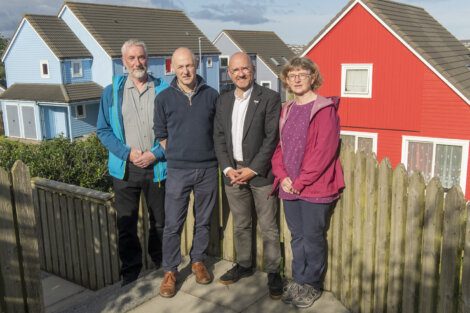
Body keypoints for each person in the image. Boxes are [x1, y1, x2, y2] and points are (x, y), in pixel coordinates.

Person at [271, 57, 345, 308]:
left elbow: (324, 152)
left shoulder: (324, 110)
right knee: (297, 237)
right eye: (292, 75)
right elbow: (280, 148)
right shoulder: (288, 109)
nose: (297, 79)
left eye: (303, 74)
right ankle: (299, 279)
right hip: (289, 187)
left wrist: (300, 182)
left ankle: (312, 285)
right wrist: (282, 177)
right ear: (286, 80)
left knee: (313, 237)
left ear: (313, 77)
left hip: (315, 188)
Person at [96, 39, 169, 286]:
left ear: (147, 59)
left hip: (157, 168)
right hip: (125, 170)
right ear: (123, 62)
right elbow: (103, 130)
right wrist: (128, 154)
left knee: (160, 221)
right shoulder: (111, 92)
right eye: (132, 58)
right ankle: (131, 272)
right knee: (126, 224)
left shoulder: (163, 90)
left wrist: (155, 154)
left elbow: (174, 131)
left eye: (141, 57)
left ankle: (160, 264)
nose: (138, 62)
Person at [213, 52, 283, 299]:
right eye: (235, 70)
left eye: (245, 69)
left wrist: (252, 169)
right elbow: (219, 137)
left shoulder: (270, 98)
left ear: (252, 70)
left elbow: (271, 137)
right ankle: (244, 264)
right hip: (232, 173)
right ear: (229, 73)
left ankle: (274, 272)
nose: (241, 74)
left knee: (269, 227)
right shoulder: (223, 101)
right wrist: (228, 169)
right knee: (241, 223)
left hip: (260, 174)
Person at [154, 47, 219, 298]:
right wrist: (178, 154)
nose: (185, 71)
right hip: (178, 170)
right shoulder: (164, 98)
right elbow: (161, 134)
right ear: (173, 68)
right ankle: (170, 271)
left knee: (203, 220)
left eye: (189, 65)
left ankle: (198, 261)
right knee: (173, 224)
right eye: (180, 66)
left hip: (207, 168)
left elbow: (218, 132)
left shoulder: (211, 95)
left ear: (197, 64)